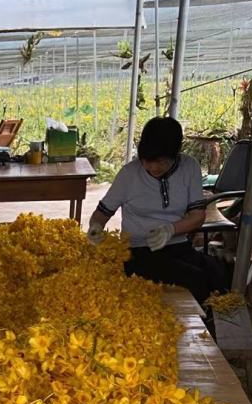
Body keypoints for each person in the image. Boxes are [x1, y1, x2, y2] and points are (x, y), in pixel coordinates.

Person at [87, 116, 227, 308]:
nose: (153, 167)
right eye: (147, 161)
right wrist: (95, 227)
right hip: (138, 251)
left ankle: (214, 324)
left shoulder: (189, 167)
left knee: (217, 274)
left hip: (178, 246)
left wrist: (170, 230)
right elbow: (102, 213)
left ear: (175, 154)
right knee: (194, 279)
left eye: (161, 162)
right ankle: (201, 325)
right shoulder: (129, 174)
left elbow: (197, 217)